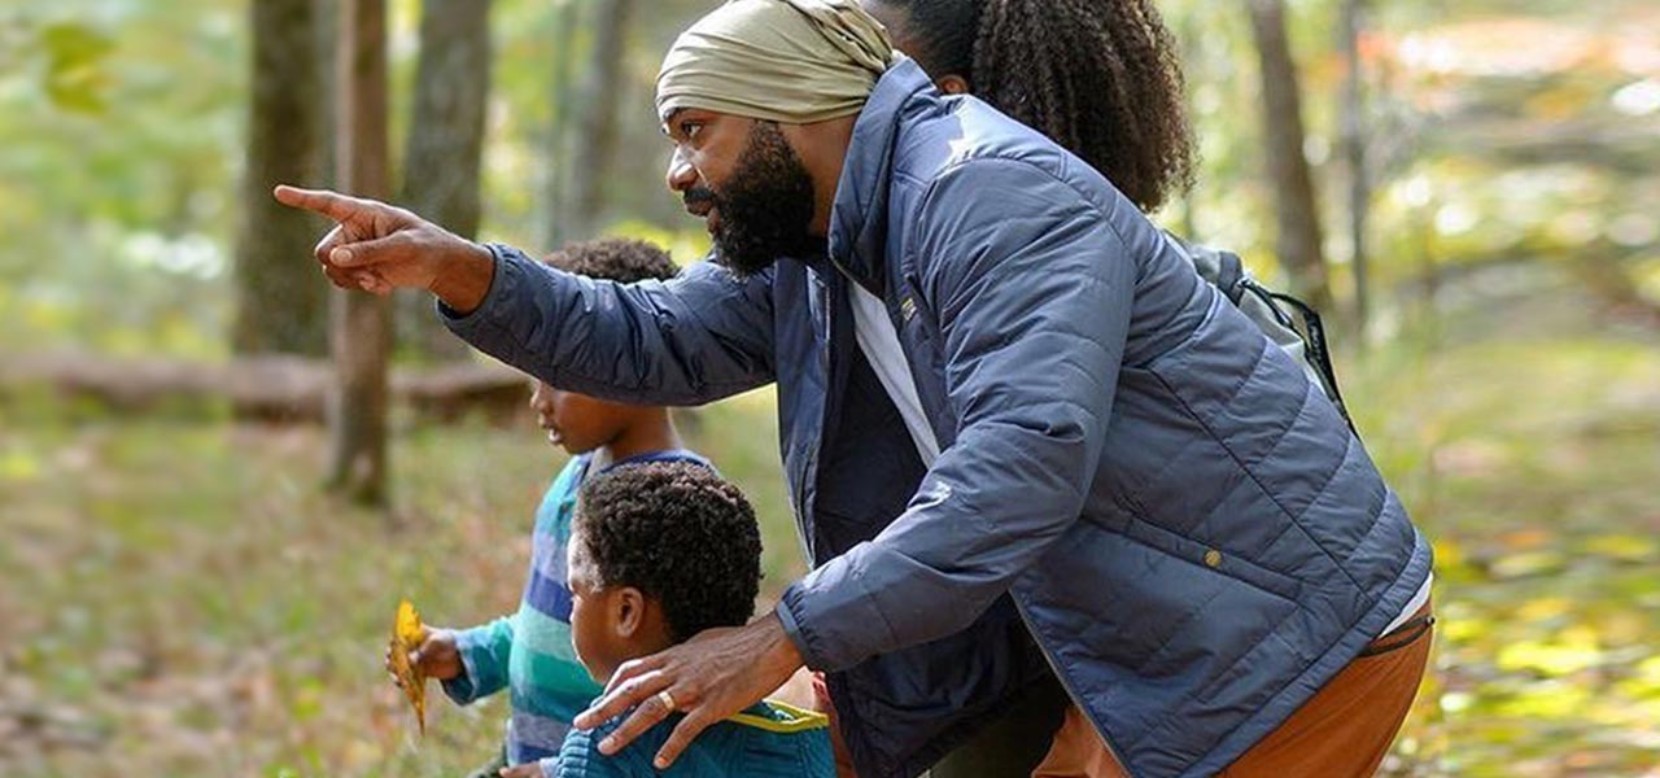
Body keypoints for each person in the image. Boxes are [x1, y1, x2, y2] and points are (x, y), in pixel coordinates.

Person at [281, 1, 1434, 776]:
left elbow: (1019, 468)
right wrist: (463, 269)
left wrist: (781, 635)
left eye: (696, 133)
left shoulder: (989, 192)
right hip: (1121, 626)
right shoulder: (818, 237)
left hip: (1277, 633)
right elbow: (651, 339)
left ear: (795, 109)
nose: (678, 174)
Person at [386, 239, 712, 778]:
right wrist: (469, 654)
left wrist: (569, 770)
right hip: (527, 758)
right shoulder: (578, 475)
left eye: (556, 378)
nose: (539, 401)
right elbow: (554, 624)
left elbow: (680, 683)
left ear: (638, 360)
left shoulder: (676, 505)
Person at [555, 461, 835, 777]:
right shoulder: (800, 745)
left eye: (574, 593)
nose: (570, 610)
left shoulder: (606, 744)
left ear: (626, 611)